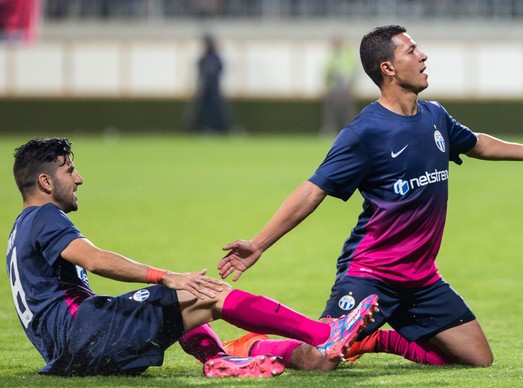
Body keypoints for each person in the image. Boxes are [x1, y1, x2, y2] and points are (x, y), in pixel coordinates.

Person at [217, 24, 523, 370]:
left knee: (477, 358)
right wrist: (259, 244)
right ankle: (256, 343)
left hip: (421, 278)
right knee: (319, 362)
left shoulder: (435, 116)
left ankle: (375, 339)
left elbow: (475, 142)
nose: (423, 56)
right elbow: (313, 189)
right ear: (388, 68)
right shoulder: (364, 131)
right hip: (372, 273)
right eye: (412, 51)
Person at [5, 137, 379, 377]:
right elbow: (95, 260)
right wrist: (162, 275)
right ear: (45, 182)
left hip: (73, 345)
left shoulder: (21, 228)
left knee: (181, 299)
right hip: (84, 335)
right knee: (207, 292)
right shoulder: (44, 216)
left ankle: (219, 359)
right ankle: (326, 333)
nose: (80, 179)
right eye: (70, 170)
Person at [185, 33, 230, 134]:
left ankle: (219, 129)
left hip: (214, 89)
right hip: (204, 89)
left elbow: (219, 71)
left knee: (217, 109)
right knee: (202, 110)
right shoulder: (203, 59)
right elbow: (201, 73)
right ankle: (203, 128)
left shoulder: (216, 58)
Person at [320, 37, 358, 136]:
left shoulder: (347, 54)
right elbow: (327, 72)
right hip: (333, 87)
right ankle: (330, 129)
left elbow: (353, 70)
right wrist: (327, 87)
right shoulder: (332, 55)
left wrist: (351, 86)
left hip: (345, 86)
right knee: (331, 110)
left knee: (347, 110)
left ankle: (350, 129)